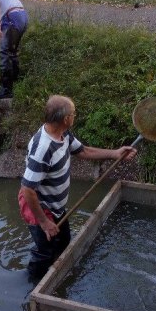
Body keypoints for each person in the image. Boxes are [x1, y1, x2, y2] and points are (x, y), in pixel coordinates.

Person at [18, 95, 137, 282]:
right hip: (40, 207)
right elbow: (27, 189)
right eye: (74, 113)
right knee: (44, 252)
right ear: (66, 119)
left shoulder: (63, 134)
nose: (75, 116)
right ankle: (33, 288)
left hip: (55, 204)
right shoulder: (43, 149)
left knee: (64, 241)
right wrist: (43, 222)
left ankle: (55, 276)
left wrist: (115, 153)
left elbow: (83, 151)